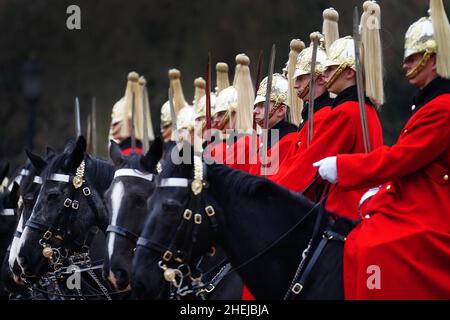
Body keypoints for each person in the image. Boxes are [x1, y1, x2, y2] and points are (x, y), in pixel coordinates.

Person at [314, 0, 450, 299]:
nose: (405, 64)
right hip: (409, 196)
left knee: (372, 245)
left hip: (430, 208)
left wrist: (343, 168)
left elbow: (402, 158)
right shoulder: (428, 103)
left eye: (413, 57)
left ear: (435, 59)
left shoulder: (442, 108)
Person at [273, 2, 385, 220]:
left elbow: (308, 166)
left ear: (350, 73)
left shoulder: (345, 113)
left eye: (331, 69)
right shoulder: (363, 111)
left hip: (341, 212)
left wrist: (267, 193)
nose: (324, 75)